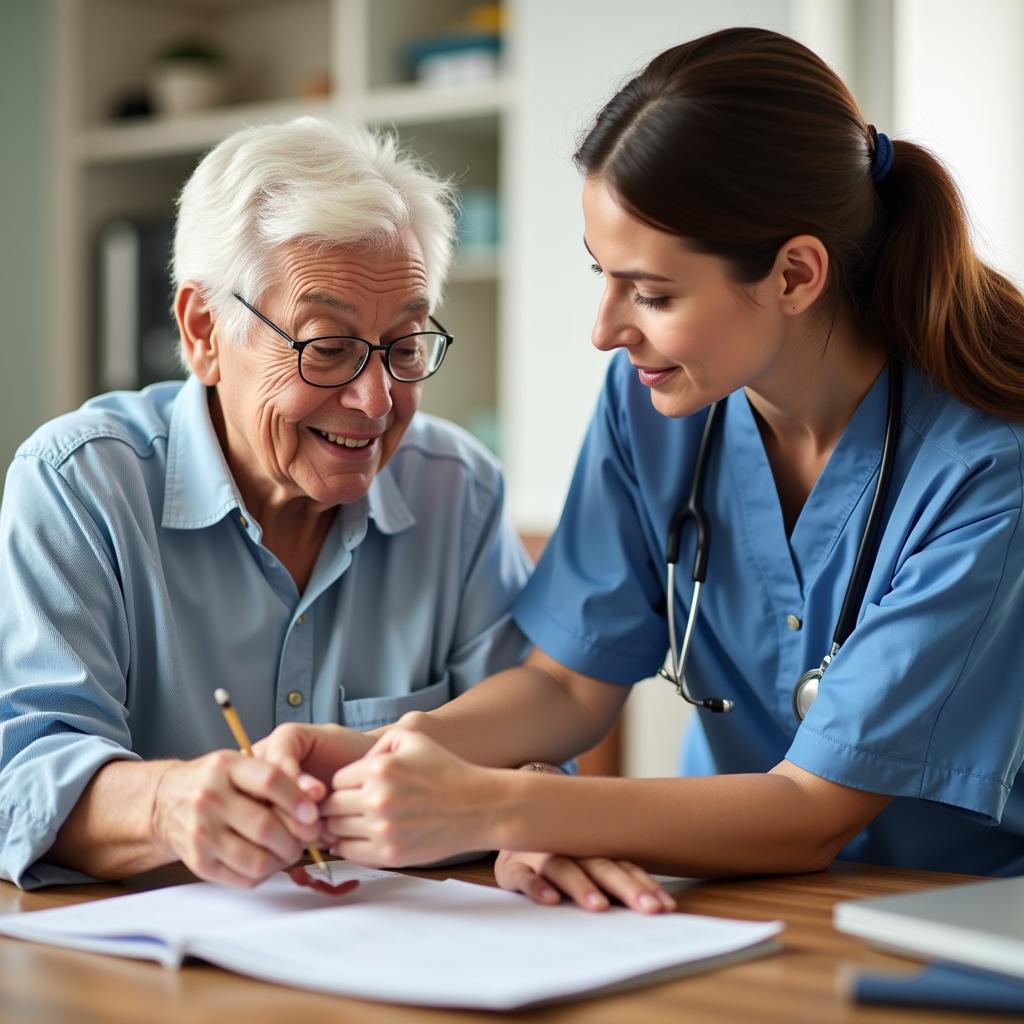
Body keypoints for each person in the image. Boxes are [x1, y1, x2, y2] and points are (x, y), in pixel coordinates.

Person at [257, 27, 1024, 912]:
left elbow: (811, 812)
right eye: (605, 278)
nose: (607, 329)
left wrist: (503, 806)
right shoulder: (656, 406)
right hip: (734, 901)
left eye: (652, 294)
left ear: (796, 274)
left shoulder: (984, 472)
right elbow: (568, 684)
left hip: (956, 920)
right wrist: (388, 748)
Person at [0, 117, 535, 890]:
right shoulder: (81, 484)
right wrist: (164, 805)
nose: (376, 397)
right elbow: (25, 767)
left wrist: (535, 824)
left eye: (406, 344)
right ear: (203, 331)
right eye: (328, 346)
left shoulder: (459, 489)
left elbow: (525, 744)